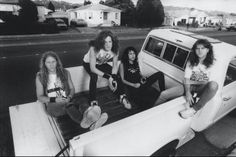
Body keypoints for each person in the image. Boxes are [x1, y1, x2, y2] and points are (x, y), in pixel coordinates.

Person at [36, 51, 108, 130]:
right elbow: (40, 97)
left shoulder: (65, 72)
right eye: (48, 62)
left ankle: (90, 116)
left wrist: (69, 97)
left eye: (53, 61)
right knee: (69, 106)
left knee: (82, 100)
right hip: (54, 105)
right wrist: (55, 99)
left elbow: (72, 88)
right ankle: (89, 122)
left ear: (57, 62)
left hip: (67, 99)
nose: (51, 64)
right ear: (44, 64)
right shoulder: (40, 76)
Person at [83, 30, 131, 109]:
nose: (108, 45)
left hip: (101, 63)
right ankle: (93, 101)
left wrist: (113, 78)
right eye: (105, 42)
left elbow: (115, 66)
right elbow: (93, 69)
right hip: (88, 63)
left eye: (110, 41)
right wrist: (109, 77)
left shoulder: (115, 49)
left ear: (113, 41)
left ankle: (122, 96)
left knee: (117, 76)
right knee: (94, 76)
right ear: (101, 42)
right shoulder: (94, 48)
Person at [179, 39, 218, 119]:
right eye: (197, 48)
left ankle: (193, 110)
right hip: (189, 86)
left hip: (202, 88)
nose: (200, 51)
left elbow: (207, 82)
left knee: (214, 84)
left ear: (207, 50)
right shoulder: (191, 61)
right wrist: (187, 92)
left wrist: (193, 80)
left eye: (202, 48)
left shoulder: (213, 63)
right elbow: (186, 78)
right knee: (165, 94)